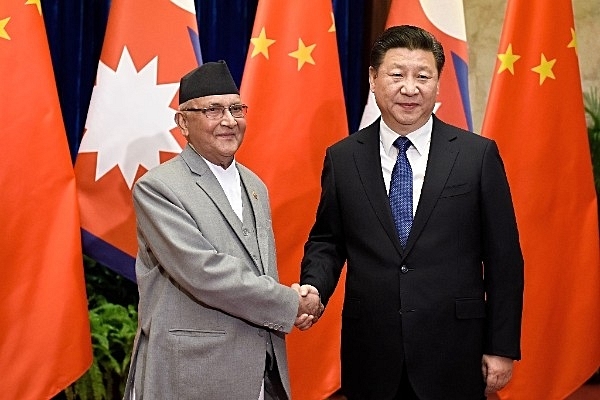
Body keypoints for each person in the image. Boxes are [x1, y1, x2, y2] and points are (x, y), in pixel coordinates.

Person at [299, 25, 524, 400]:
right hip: (370, 351)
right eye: (397, 74)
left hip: (455, 351)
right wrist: (314, 286)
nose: (410, 88)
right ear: (373, 78)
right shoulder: (343, 157)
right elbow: (328, 240)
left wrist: (501, 347)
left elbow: (504, 259)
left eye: (423, 76)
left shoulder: (476, 155)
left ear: (438, 82)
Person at [123, 61, 322, 400]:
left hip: (259, 369)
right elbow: (203, 272)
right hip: (190, 373)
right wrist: (291, 303)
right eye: (213, 110)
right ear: (183, 122)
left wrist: (300, 298)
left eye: (236, 108)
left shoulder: (255, 184)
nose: (229, 121)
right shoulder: (158, 187)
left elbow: (259, 271)